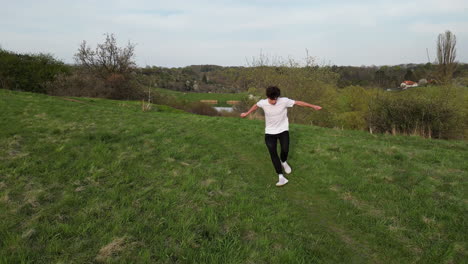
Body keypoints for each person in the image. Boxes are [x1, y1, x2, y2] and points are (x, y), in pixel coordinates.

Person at [240, 86, 322, 186]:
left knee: (285, 149)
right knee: (273, 153)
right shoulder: (263, 102)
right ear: (267, 97)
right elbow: (256, 106)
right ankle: (281, 176)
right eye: (272, 99)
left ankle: (283, 161)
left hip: (283, 130)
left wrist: (313, 106)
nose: (274, 101)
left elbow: (298, 103)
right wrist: (246, 113)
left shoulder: (284, 101)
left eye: (275, 99)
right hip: (270, 132)